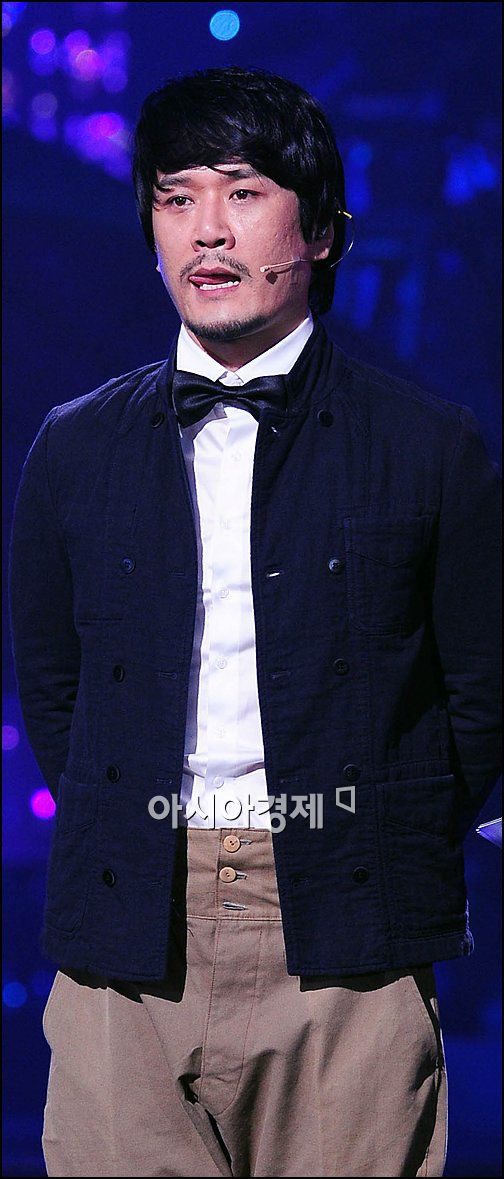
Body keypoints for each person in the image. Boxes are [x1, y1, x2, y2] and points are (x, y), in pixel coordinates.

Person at [8, 65, 501, 1178]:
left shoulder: (428, 446)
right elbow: (54, 686)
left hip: (347, 927)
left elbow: (479, 693)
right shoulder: (75, 447)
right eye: (175, 197)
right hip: (127, 923)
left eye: (241, 191)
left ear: (321, 230)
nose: (207, 230)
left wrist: (370, 830)